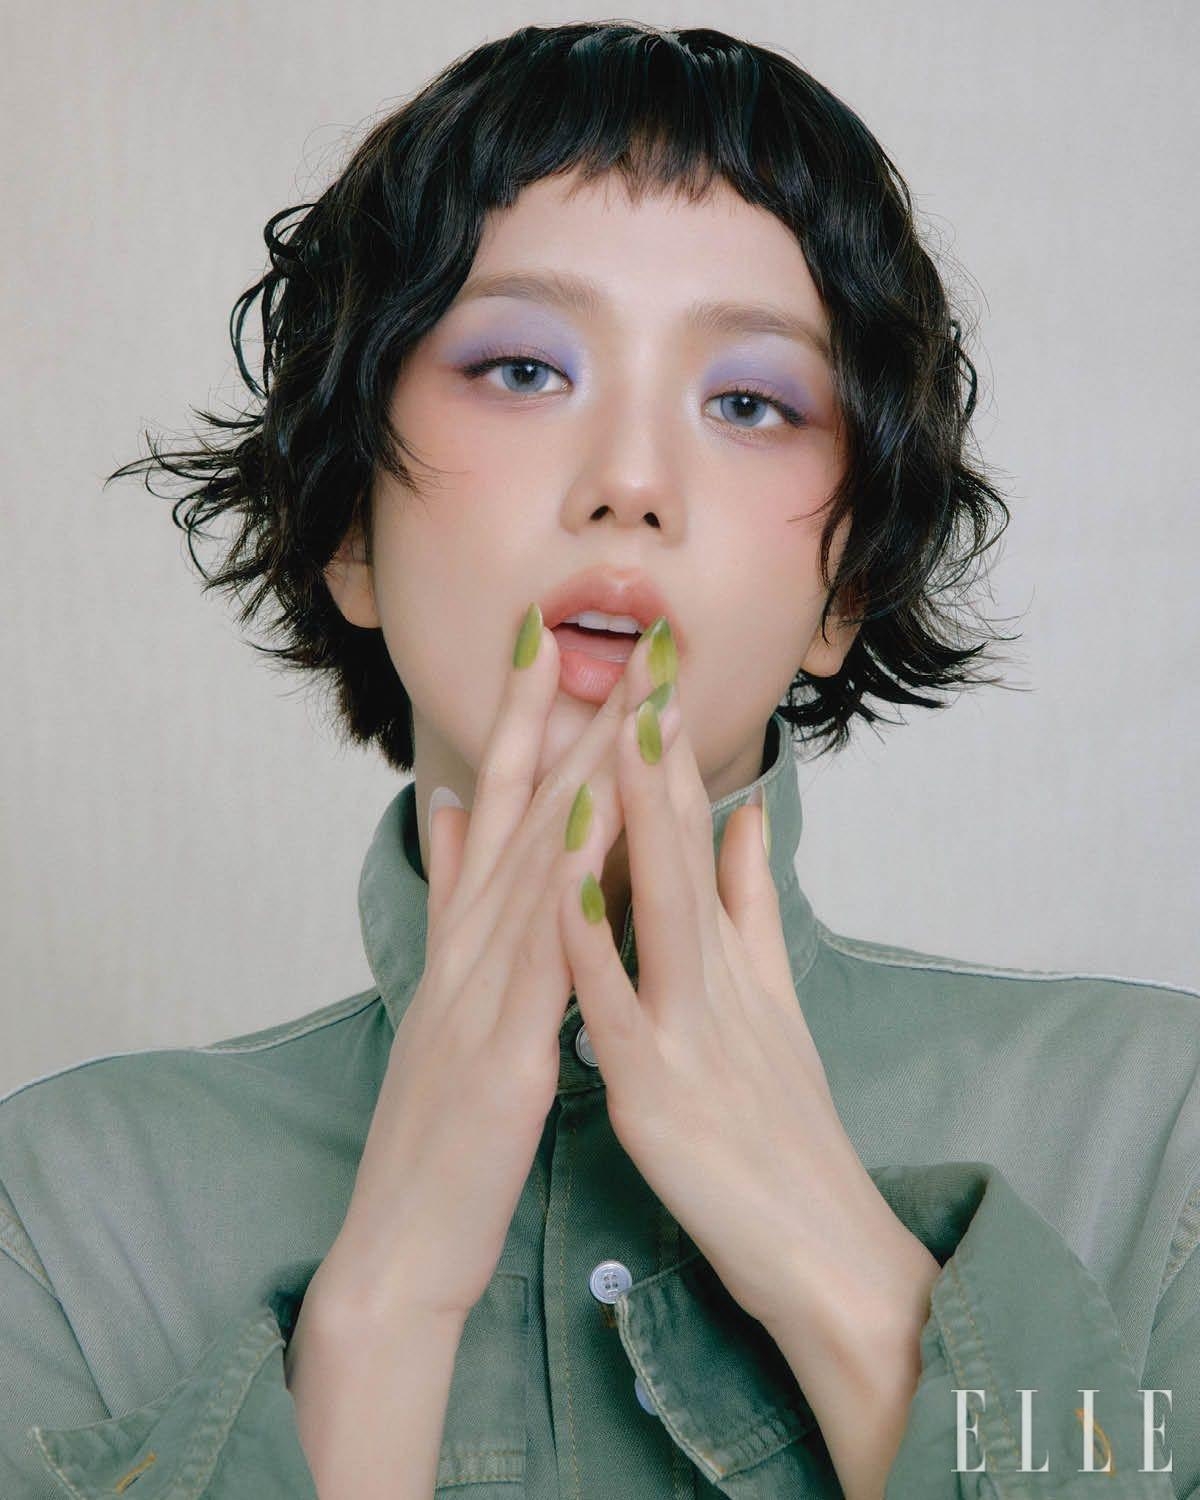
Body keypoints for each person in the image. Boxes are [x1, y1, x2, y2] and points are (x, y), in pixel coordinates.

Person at [1, 19, 1197, 1500]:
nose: (631, 483)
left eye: (750, 402)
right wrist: (388, 1300)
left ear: (845, 587)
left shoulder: (1156, 1138)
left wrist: (836, 1259)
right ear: (347, 524)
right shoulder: (63, 1215)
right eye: (520, 368)